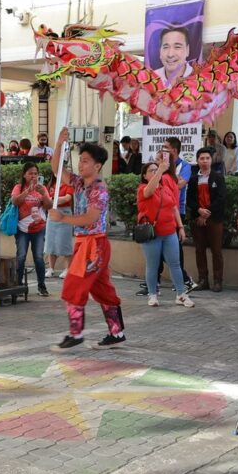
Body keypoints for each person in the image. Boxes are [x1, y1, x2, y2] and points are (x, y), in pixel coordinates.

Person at [48, 130, 126, 350]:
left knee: (73, 285)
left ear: (97, 166)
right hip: (86, 243)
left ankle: (76, 334)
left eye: (85, 161)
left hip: (94, 245)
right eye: (80, 160)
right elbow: (57, 169)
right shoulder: (79, 183)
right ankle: (117, 333)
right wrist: (59, 143)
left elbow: (91, 218)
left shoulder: (99, 189)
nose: (80, 164)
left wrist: (62, 218)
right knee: (102, 290)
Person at [137, 157, 195, 308]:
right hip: (152, 234)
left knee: (175, 264)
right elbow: (149, 191)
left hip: (169, 232)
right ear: (145, 175)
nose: (155, 172)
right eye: (152, 171)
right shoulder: (143, 189)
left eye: (157, 170)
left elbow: (174, 208)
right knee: (152, 265)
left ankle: (181, 294)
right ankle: (152, 294)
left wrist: (180, 227)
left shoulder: (166, 188)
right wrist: (161, 170)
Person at [187, 147, 226, 292]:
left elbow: (221, 198)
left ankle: (218, 281)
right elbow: (190, 199)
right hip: (198, 219)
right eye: (202, 158)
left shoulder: (218, 177)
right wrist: (199, 211)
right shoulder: (193, 179)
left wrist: (207, 212)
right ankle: (203, 280)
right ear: (197, 161)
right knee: (199, 250)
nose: (204, 161)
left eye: (207, 158)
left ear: (211, 160)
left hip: (214, 218)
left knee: (216, 251)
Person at [10, 161, 52, 297]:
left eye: (36, 173)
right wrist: (28, 190)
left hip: (39, 228)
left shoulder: (42, 188)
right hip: (22, 229)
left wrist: (44, 194)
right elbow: (15, 201)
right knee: (21, 256)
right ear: (24, 175)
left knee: (39, 257)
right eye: (30, 173)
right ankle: (18, 286)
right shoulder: (18, 187)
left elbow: (49, 206)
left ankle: (41, 286)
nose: (33, 176)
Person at [45, 167, 74, 278]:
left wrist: (53, 200)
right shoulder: (51, 185)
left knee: (64, 242)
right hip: (52, 214)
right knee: (50, 242)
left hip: (64, 214)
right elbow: (45, 198)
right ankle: (51, 268)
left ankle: (67, 269)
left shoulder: (69, 185)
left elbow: (67, 198)